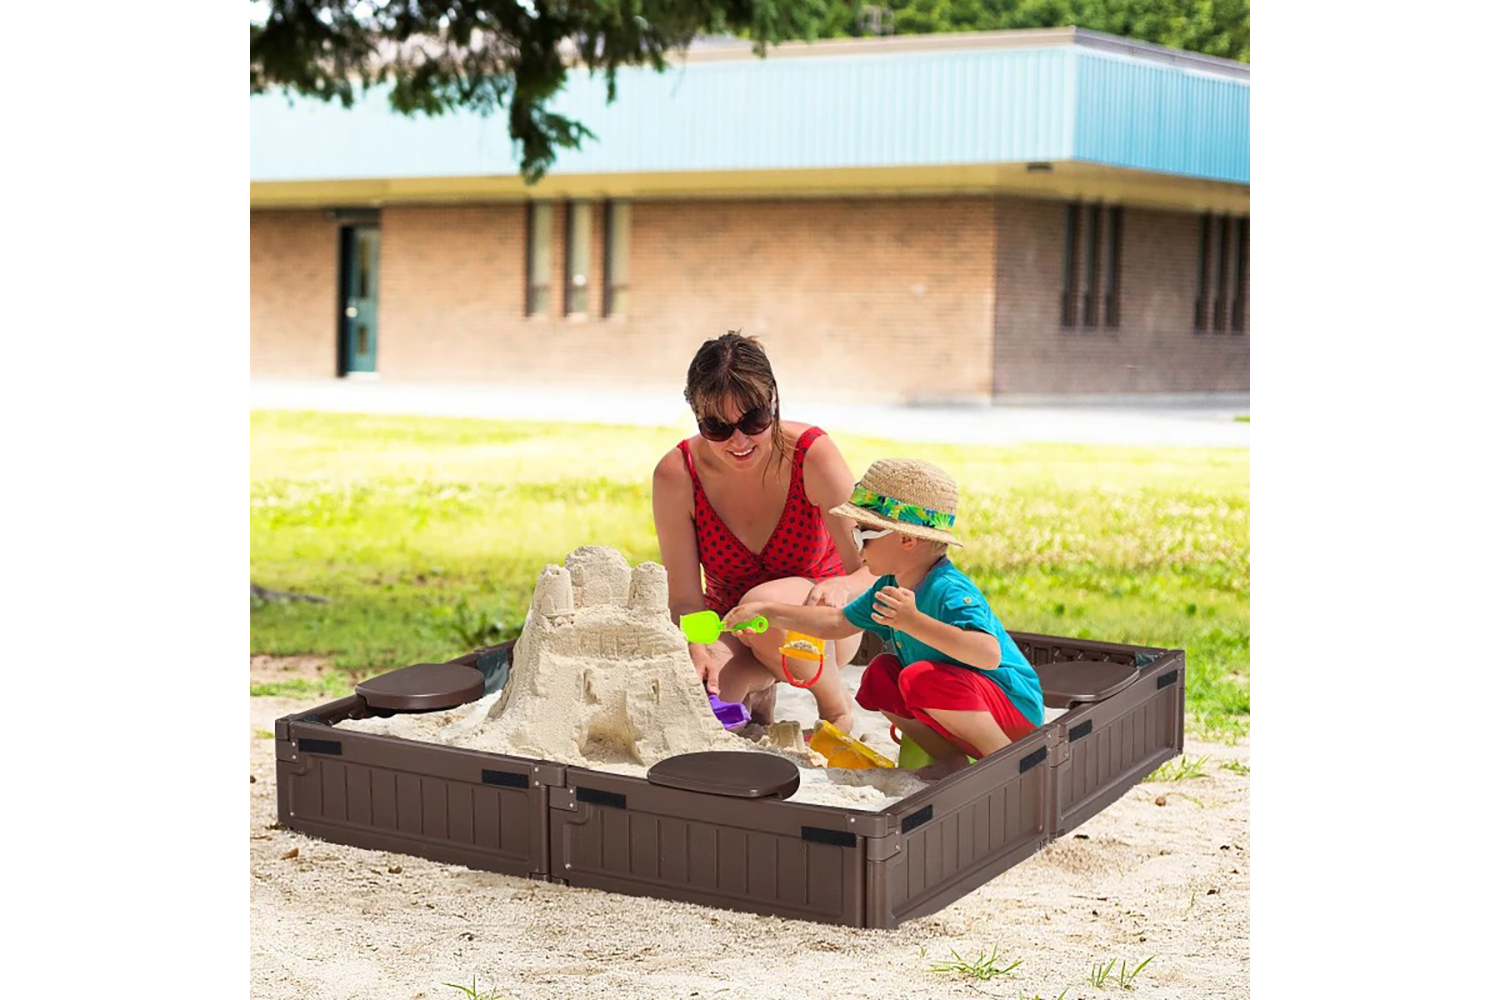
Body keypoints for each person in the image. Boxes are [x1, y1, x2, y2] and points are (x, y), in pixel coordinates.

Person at [723, 458, 1045, 778]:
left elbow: (987, 655)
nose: (857, 549)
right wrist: (768, 612)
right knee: (881, 675)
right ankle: (949, 760)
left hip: (1010, 706)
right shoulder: (890, 585)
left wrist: (913, 621)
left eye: (864, 536)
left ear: (906, 540)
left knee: (917, 678)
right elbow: (836, 624)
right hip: (962, 699)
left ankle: (1003, 759)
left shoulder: (948, 589)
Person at [652, 332, 876, 731]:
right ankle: (759, 681)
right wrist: (701, 646)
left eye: (753, 420)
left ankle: (835, 706)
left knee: (764, 606)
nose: (738, 441)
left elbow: (872, 569)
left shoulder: (811, 454)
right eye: (717, 427)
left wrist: (842, 588)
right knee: (708, 704)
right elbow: (685, 600)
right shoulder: (678, 475)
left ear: (772, 400)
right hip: (733, 623)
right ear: (695, 415)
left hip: (821, 630)